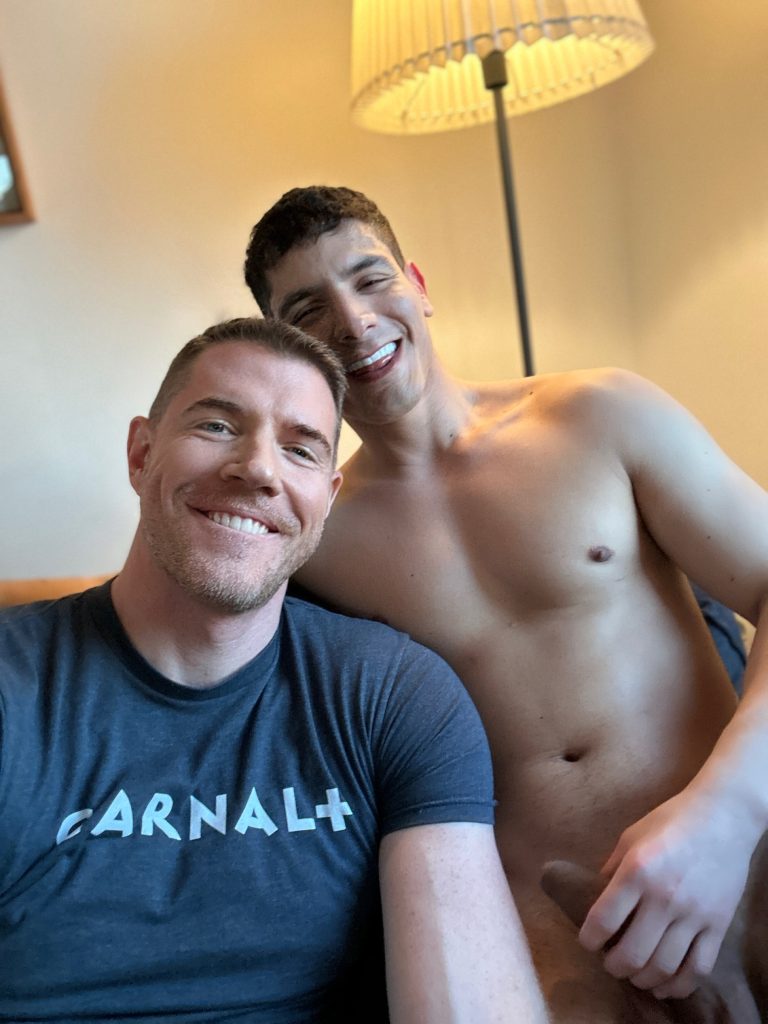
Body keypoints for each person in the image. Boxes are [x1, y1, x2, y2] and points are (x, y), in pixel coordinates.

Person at [244, 187, 768, 1023]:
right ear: (288, 351)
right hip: (551, 948)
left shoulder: (600, 415)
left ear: (418, 285)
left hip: (742, 863)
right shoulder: (315, 545)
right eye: (309, 312)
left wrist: (728, 817)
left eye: (371, 280)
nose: (353, 321)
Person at [0, 318, 548, 1023]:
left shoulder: (394, 697)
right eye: (218, 426)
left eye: (299, 449)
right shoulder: (16, 686)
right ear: (141, 453)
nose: (259, 469)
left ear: (327, 495)